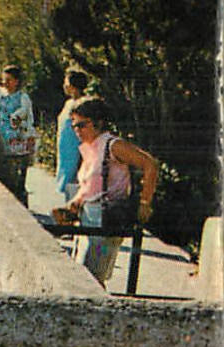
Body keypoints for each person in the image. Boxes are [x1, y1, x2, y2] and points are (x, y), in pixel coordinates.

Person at [56, 98, 159, 286]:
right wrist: (74, 204)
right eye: (74, 126)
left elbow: (149, 164)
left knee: (92, 280)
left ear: (98, 122)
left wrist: (145, 202)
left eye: (81, 125)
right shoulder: (90, 148)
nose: (77, 131)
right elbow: (90, 186)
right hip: (88, 219)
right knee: (83, 276)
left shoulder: (112, 145)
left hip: (107, 218)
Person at [0, 65, 35, 204]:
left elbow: (26, 113)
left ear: (17, 81)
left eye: (9, 80)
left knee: (16, 172)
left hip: (15, 138)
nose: (6, 83)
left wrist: (18, 117)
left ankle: (19, 199)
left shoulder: (23, 97)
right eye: (4, 79)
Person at [54, 69, 90, 203]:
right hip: (65, 151)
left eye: (67, 83)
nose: (65, 86)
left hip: (77, 151)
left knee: (77, 185)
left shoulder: (82, 104)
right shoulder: (68, 103)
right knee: (67, 185)